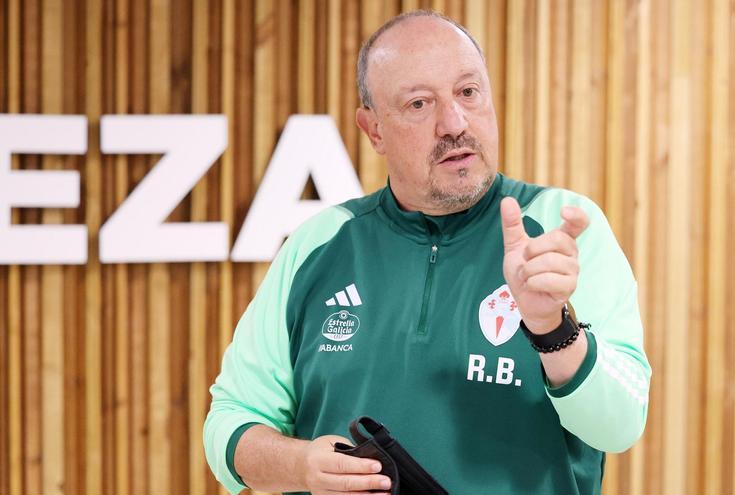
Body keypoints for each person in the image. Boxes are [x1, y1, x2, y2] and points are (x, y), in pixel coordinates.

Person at [204, 10, 650, 495]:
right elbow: (230, 422)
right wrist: (301, 465)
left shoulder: (560, 228)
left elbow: (621, 426)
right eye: (419, 104)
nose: (453, 123)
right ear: (373, 129)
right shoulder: (320, 242)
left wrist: (551, 329)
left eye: (468, 92)